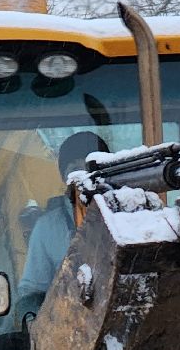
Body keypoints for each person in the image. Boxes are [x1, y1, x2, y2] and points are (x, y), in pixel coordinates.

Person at [13, 131, 109, 319]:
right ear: (64, 176)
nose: (83, 177)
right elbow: (32, 293)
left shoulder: (131, 216)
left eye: (90, 168)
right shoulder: (47, 229)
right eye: (74, 169)